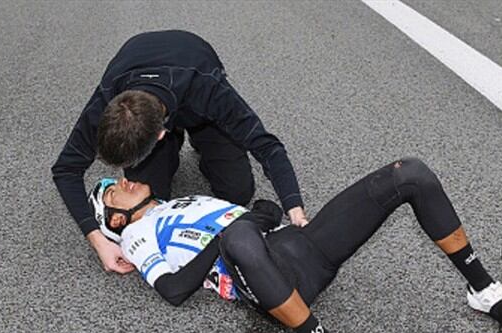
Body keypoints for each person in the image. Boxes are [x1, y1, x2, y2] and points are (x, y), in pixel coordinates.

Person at [90, 158, 502, 333]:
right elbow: (174, 289)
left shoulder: (182, 201)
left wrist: (262, 212)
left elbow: (259, 213)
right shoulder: (137, 234)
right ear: (115, 219)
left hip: (296, 249)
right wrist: (239, 228)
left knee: (410, 174)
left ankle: (483, 291)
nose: (125, 181)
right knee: (237, 237)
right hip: (254, 276)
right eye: (114, 190)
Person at [52, 30, 309, 276]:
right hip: (143, 71)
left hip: (196, 79)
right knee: (152, 201)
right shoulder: (108, 99)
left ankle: (201, 136)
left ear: (159, 134)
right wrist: (98, 241)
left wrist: (294, 210)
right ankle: (172, 147)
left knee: (237, 192)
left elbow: (267, 146)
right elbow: (65, 170)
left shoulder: (209, 89)